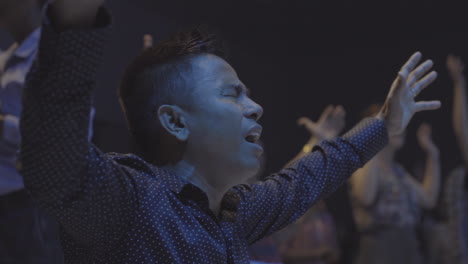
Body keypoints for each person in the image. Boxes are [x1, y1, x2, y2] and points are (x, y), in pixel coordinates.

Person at [19, 1, 440, 263]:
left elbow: (310, 176)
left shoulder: (236, 213)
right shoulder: (127, 204)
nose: (256, 107)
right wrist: (74, 19)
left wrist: (386, 125)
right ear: (176, 121)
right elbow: (56, 150)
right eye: (232, 94)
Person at [0, 0, 63, 262]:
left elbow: (66, 139)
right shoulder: (7, 57)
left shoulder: (54, 57)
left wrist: (4, 127)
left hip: (26, 205)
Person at [349, 104, 441, 264]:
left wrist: (433, 155)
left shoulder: (398, 171)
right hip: (380, 251)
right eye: (391, 121)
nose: (399, 126)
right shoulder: (365, 164)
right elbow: (366, 196)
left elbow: (428, 199)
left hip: (408, 247)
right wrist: (373, 142)